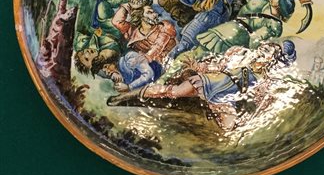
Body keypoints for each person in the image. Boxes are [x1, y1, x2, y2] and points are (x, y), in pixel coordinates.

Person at [108, 41, 297, 130]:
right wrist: (198, 67)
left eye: (269, 52)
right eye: (265, 48)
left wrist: (265, 105)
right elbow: (220, 65)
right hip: (210, 82)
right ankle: (131, 95)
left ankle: (207, 112)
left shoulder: (264, 78)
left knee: (228, 127)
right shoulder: (243, 56)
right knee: (173, 92)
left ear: (272, 59)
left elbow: (261, 98)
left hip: (225, 99)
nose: (263, 51)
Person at [158, 0, 310, 83]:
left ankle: (166, 80)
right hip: (232, 37)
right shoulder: (268, 13)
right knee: (199, 60)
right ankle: (166, 80)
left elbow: (255, 40)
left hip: (229, 34)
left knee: (198, 60)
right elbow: (255, 42)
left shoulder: (263, 7)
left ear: (280, 4)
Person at [111, 0, 177, 92]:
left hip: (166, 64)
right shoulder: (133, 31)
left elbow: (158, 46)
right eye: (150, 12)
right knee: (124, 60)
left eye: (154, 12)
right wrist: (128, 6)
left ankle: (130, 86)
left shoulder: (163, 28)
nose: (155, 15)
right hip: (146, 64)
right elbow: (116, 22)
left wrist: (144, 58)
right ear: (141, 16)